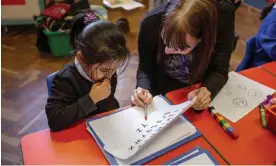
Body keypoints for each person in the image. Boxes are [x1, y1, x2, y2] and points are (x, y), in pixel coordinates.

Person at [131, 0, 235, 111]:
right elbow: (145, 68)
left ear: (203, 38)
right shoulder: (150, 23)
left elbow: (219, 69)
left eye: (181, 47)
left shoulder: (222, 14)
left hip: (197, 89)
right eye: (165, 39)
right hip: (163, 95)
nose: (167, 51)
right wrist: (143, 87)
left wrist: (207, 89)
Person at [45, 11, 130, 131]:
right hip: (79, 135)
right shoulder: (65, 80)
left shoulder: (108, 69)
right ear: (82, 59)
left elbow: (108, 104)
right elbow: (54, 120)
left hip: (105, 126)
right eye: (104, 70)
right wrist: (91, 99)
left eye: (113, 69)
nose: (110, 75)